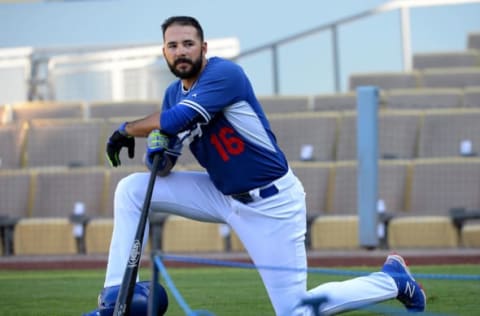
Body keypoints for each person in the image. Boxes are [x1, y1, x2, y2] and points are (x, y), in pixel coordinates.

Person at [87, 16, 426, 316]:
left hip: (271, 203)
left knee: (295, 311)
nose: (181, 51)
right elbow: (164, 164)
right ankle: (116, 299)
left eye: (188, 44)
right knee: (130, 189)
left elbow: (180, 118)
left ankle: (392, 282)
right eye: (172, 45)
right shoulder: (172, 94)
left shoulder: (224, 73)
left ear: (203, 47)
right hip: (221, 194)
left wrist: (126, 129)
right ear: (164, 52)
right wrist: (156, 152)